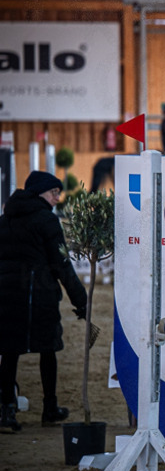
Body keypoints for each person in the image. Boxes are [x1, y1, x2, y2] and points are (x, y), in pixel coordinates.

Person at [0, 171, 87, 432]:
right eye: (54, 193)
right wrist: (81, 300)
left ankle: (6, 411)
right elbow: (62, 265)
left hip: (7, 295)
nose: (57, 198)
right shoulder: (47, 221)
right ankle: (50, 407)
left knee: (9, 352)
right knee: (48, 350)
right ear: (40, 193)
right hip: (39, 295)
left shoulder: (4, 220)